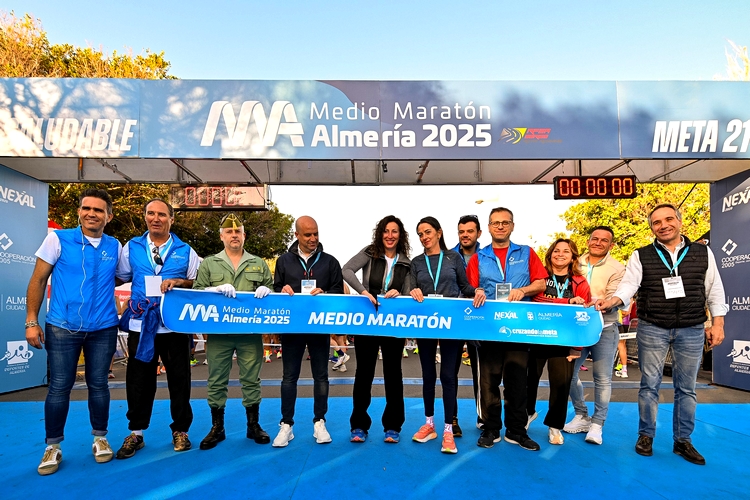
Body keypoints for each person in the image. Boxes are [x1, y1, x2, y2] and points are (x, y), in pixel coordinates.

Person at [595, 204, 727, 465]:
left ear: (679, 221)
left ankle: (683, 440)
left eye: (669, 219)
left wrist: (718, 323)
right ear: (652, 228)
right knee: (649, 385)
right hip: (652, 326)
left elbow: (714, 289)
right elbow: (629, 286)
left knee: (686, 388)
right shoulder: (641, 255)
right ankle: (646, 435)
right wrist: (611, 301)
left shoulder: (703, 252)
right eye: (657, 222)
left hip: (692, 327)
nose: (663, 225)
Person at [25, 189, 121, 475]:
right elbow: (38, 279)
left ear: (109, 216)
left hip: (103, 327)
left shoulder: (115, 245)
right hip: (62, 327)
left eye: (98, 210)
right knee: (59, 386)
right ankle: (52, 446)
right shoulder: (58, 239)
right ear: (79, 211)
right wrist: (31, 321)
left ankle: (100, 438)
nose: (91, 213)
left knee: (99, 385)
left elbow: (123, 277)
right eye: (86, 208)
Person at [114, 198, 200, 458]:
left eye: (162, 214)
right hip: (141, 325)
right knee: (138, 380)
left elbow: (196, 283)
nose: (156, 218)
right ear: (145, 217)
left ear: (171, 219)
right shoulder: (131, 247)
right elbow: (120, 277)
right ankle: (136, 432)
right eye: (151, 213)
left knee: (179, 380)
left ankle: (181, 430)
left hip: (174, 326)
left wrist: (179, 281)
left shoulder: (186, 250)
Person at [466, 207, 548, 451]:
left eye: (505, 222)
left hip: (519, 328)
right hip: (489, 329)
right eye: (495, 223)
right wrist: (476, 292)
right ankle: (491, 428)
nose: (500, 226)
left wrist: (523, 290)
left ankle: (516, 431)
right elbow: (469, 289)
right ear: (488, 228)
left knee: (517, 382)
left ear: (512, 226)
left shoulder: (527, 252)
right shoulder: (478, 258)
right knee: (488, 382)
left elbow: (541, 283)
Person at [192, 213, 274, 450]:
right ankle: (217, 428)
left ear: (244, 235)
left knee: (251, 379)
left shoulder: (258, 263)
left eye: (238, 231)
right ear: (221, 236)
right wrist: (214, 289)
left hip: (249, 333)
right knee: (216, 379)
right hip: (220, 333)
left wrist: (268, 291)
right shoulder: (209, 263)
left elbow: (271, 291)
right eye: (229, 232)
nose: (234, 235)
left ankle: (253, 425)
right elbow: (197, 292)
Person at [410, 216, 485, 454]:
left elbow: (465, 287)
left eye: (428, 232)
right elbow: (411, 287)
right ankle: (429, 424)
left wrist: (477, 290)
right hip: (425, 323)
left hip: (451, 323)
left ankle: (448, 430)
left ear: (439, 233)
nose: (424, 237)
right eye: (420, 234)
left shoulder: (453, 258)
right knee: (428, 375)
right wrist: (412, 290)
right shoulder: (416, 262)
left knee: (448, 376)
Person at [272, 216, 344, 447]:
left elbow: (338, 292)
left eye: (316, 233)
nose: (313, 238)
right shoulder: (283, 261)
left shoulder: (330, 262)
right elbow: (275, 289)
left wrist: (325, 293)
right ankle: (286, 425)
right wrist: (282, 290)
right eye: (307, 234)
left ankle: (319, 422)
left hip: (319, 327)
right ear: (297, 235)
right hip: (292, 327)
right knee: (289, 377)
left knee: (321, 376)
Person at [343, 215, 413, 444]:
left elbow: (409, 291)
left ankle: (393, 425)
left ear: (400, 235)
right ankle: (359, 425)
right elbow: (346, 270)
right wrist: (363, 291)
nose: (390, 236)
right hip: (368, 321)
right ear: (380, 233)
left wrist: (400, 293)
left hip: (393, 323)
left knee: (394, 374)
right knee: (364, 373)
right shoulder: (370, 252)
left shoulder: (406, 261)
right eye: (386, 231)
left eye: (394, 231)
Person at [563, 226, 626, 445]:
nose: (598, 243)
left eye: (604, 240)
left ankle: (597, 424)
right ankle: (581, 415)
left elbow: (614, 297)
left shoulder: (618, 268)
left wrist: (596, 303)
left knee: (602, 378)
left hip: (604, 328)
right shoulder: (575, 262)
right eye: (595, 239)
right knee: (568, 374)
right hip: (577, 330)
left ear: (611, 245)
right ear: (588, 241)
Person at [526, 238, 591, 445]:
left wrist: (577, 348)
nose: (560, 254)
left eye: (566, 251)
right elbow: (537, 300)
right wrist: (567, 301)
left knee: (560, 385)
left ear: (573, 257)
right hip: (536, 337)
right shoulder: (539, 277)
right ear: (550, 254)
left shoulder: (580, 282)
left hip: (564, 341)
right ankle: (527, 413)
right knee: (528, 380)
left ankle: (555, 426)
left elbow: (583, 315)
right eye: (556, 250)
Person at [451, 214, 483, 435]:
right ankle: (452, 419)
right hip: (455, 321)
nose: (465, 235)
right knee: (450, 372)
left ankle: (483, 417)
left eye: (470, 231)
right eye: (461, 231)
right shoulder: (448, 256)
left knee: (480, 372)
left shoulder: (487, 256)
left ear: (478, 233)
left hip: (478, 321)